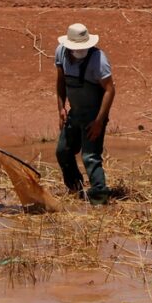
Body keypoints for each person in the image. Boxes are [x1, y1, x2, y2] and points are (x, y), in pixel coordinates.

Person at [55, 23, 116, 205]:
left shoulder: (98, 59)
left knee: (90, 157)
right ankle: (75, 189)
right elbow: (60, 82)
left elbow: (110, 90)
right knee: (63, 151)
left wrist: (99, 121)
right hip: (75, 113)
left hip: (93, 116)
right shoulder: (61, 52)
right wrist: (61, 108)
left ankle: (99, 197)